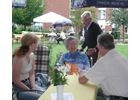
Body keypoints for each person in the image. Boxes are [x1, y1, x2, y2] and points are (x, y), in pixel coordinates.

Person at [78, 34, 128, 100]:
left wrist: (81, 73)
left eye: (97, 46)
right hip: (122, 94)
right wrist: (87, 73)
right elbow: (97, 69)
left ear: (100, 47)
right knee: (94, 91)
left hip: (116, 97)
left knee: (85, 95)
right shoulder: (120, 56)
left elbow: (82, 80)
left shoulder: (105, 61)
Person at [12, 33, 49, 100]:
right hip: (17, 87)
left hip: (28, 83)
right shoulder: (18, 59)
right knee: (42, 98)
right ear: (32, 44)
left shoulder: (32, 55)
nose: (37, 45)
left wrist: (33, 88)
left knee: (47, 94)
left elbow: (31, 74)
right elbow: (15, 80)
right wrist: (30, 90)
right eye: (36, 43)